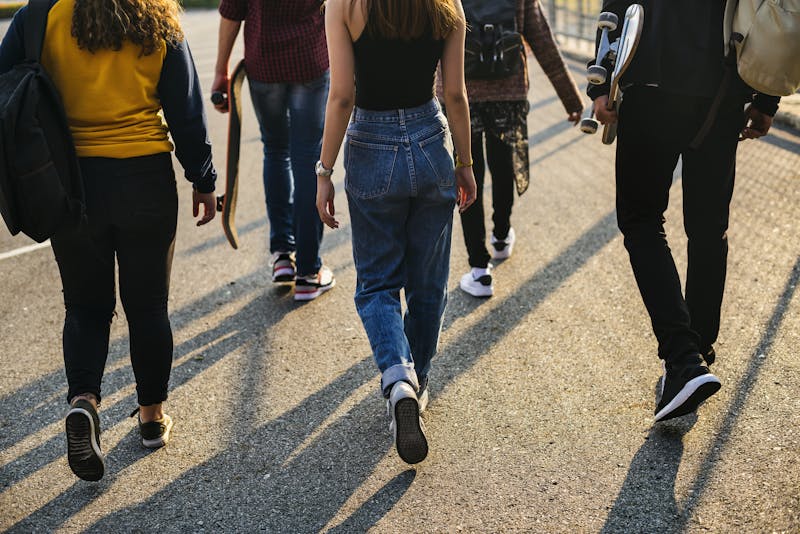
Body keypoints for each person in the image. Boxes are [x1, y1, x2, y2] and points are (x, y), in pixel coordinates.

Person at [0, 0, 217, 480]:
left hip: (69, 183)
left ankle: (83, 401)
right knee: (148, 307)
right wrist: (203, 177)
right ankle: (151, 419)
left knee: (85, 306)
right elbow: (185, 108)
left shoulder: (40, 16)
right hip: (146, 180)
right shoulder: (157, 16)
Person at [589, 0, 780, 422]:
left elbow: (614, 12)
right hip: (723, 90)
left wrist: (599, 84)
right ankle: (699, 354)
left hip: (651, 83)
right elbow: (769, 10)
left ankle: (684, 361)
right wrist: (766, 99)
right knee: (709, 228)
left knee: (640, 220)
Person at [317, 0, 476, 463]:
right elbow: (456, 95)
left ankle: (398, 378)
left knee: (377, 285)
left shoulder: (342, 5)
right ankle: (416, 383)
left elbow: (342, 95)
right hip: (430, 141)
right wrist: (464, 164)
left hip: (370, 144)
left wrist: (324, 170)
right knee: (428, 286)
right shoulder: (447, 5)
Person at [452, 0, 584, 298]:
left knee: (466, 173)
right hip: (508, 90)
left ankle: (479, 270)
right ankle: (500, 236)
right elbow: (542, 39)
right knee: (503, 166)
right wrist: (570, 97)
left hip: (461, 94)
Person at [213, 0, 335, 301]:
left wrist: (221, 70)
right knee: (308, 157)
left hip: (264, 64)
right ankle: (308, 272)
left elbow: (231, 11)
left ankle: (283, 255)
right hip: (311, 60)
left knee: (276, 150)